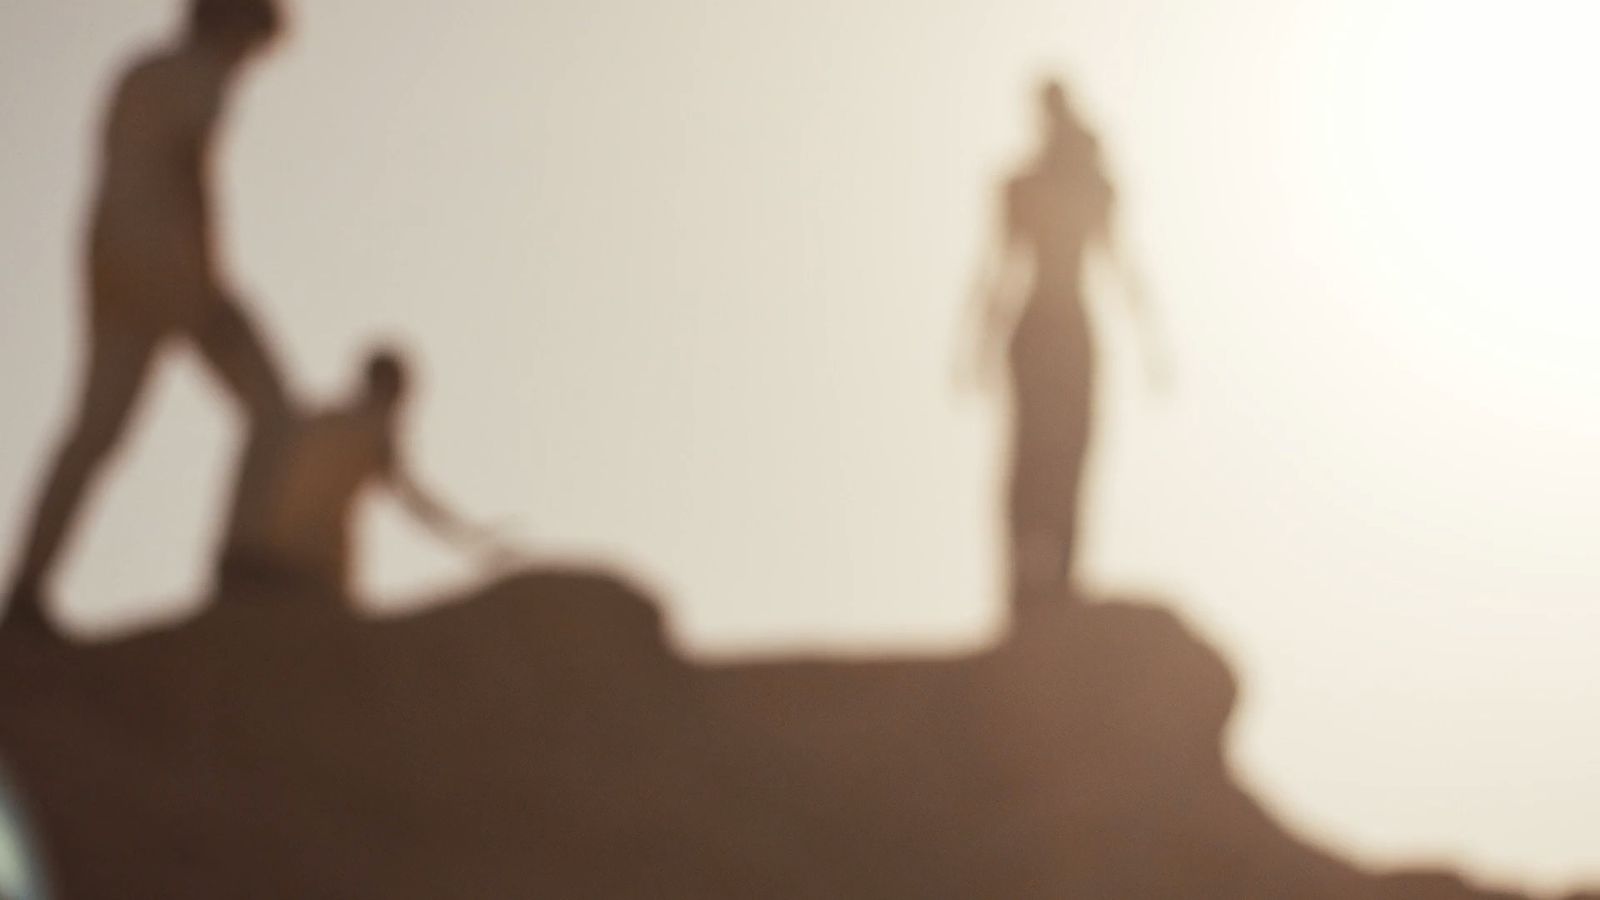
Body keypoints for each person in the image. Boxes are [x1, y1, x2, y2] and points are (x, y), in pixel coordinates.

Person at [4, 0, 290, 635]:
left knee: (95, 431)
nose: (249, 60)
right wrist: (209, 282)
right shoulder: (202, 74)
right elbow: (190, 172)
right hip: (171, 264)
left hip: (108, 259)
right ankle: (242, 566)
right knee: (274, 408)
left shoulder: (138, 70)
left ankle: (25, 587)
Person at [966, 80, 1166, 603]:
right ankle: (1027, 583)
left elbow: (1120, 264)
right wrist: (977, 347)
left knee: (1068, 453)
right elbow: (999, 269)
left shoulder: (1079, 184)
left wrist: (1152, 344)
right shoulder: (1025, 185)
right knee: (1034, 457)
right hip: (1044, 333)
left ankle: (1060, 581)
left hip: (1063, 332)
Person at [216, 348, 515, 599]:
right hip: (312, 573)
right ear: (394, 392)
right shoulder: (375, 428)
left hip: (253, 561)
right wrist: (469, 536)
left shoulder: (317, 420)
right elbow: (413, 498)